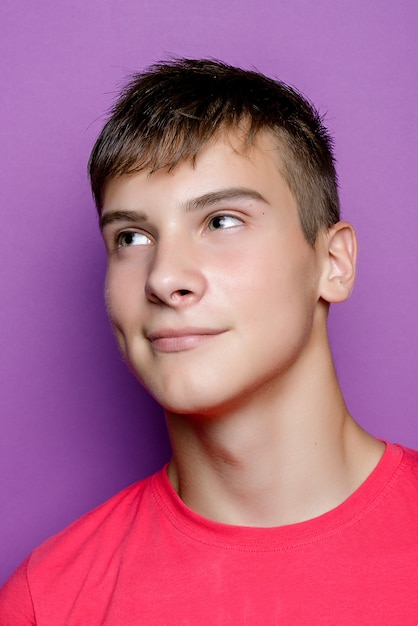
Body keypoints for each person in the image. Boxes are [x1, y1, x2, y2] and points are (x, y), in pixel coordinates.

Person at [1, 58, 417, 625]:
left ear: (333, 263)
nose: (164, 277)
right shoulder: (47, 601)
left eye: (222, 221)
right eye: (131, 236)